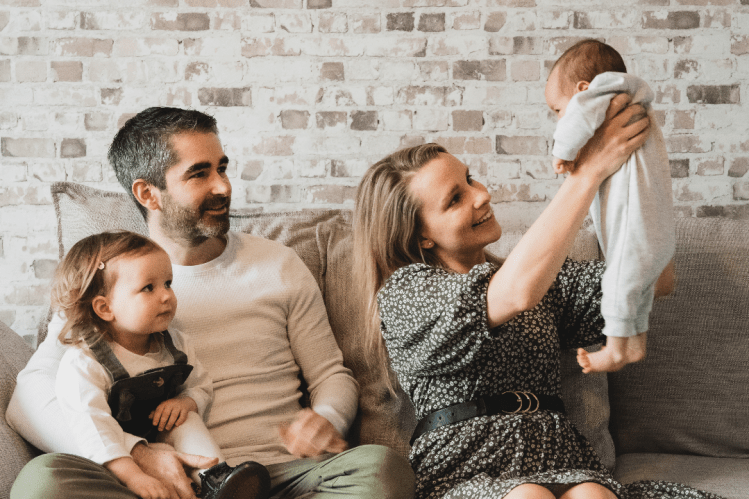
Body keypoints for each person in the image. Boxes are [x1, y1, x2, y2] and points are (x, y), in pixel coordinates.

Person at [9, 107, 414, 499]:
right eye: (199, 173)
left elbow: (331, 375)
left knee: (381, 468)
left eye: (222, 168)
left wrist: (326, 418)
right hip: (166, 483)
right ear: (148, 193)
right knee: (43, 482)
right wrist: (139, 455)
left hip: (279, 477)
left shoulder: (278, 264)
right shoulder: (108, 283)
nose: (223, 186)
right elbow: (26, 401)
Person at [352, 102, 722, 497]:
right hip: (465, 463)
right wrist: (587, 173)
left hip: (559, 452)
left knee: (592, 495)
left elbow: (654, 279)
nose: (482, 195)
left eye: (471, 179)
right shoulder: (406, 292)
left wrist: (635, 159)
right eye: (455, 199)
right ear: (422, 235)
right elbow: (516, 293)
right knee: (529, 496)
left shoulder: (544, 281)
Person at [52, 231, 270, 499]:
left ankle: (217, 480)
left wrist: (187, 402)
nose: (166, 296)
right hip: (118, 461)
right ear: (105, 308)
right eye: (148, 288)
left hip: (168, 443)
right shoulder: (85, 363)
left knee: (185, 419)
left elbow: (201, 385)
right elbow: (93, 430)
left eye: (168, 283)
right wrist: (135, 477)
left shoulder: (175, 344)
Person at [545, 39, 675, 373]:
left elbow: (580, 115)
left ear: (583, 89)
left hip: (637, 227)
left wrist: (563, 150)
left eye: (557, 110)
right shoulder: (633, 107)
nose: (559, 119)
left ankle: (615, 350)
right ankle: (634, 343)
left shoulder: (604, 93)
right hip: (654, 229)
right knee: (636, 288)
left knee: (617, 282)